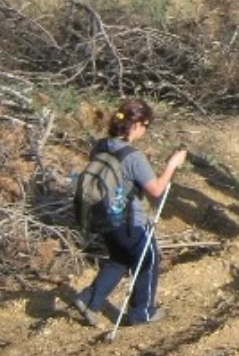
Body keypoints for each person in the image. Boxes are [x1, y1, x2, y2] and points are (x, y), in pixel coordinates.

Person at [72, 98, 186, 327]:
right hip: (129, 220)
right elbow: (156, 189)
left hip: (104, 217)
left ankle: (90, 299)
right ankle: (142, 312)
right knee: (148, 259)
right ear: (137, 124)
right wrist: (172, 165)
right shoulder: (134, 157)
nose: (145, 131)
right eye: (146, 126)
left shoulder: (101, 145)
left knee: (120, 258)